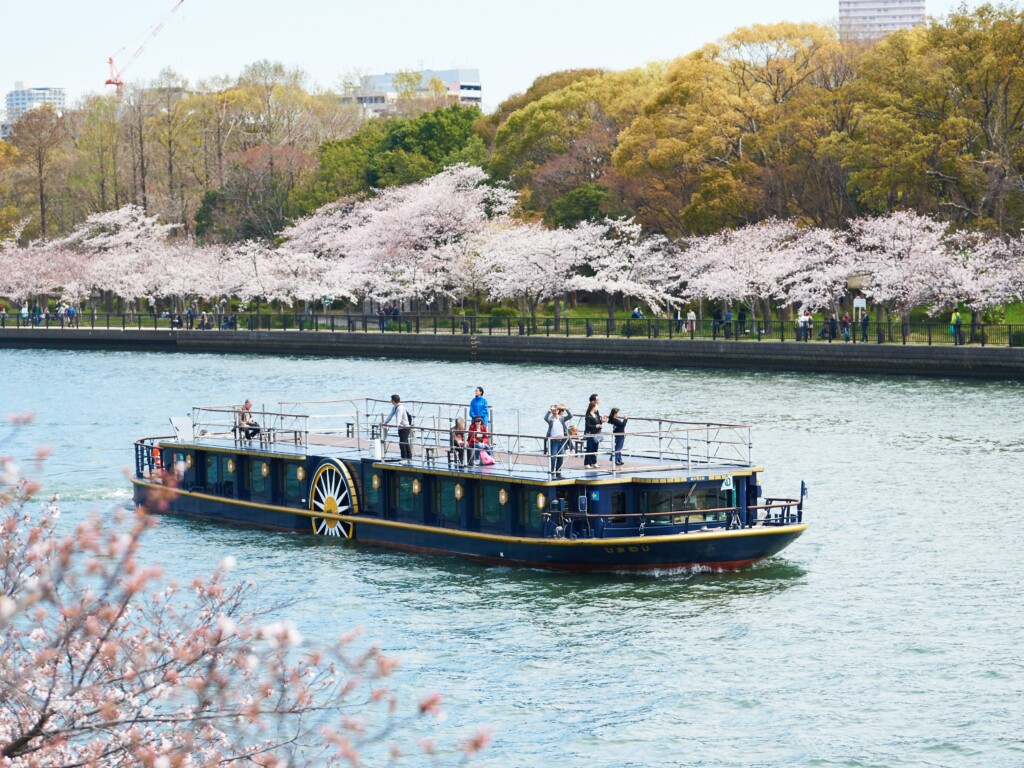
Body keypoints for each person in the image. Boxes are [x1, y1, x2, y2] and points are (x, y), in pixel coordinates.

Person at [544, 403, 574, 477]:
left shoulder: (562, 418)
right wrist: (549, 410)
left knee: (560, 458)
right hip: (554, 441)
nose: (556, 410)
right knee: (553, 457)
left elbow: (571, 416)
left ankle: (558, 473)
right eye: (554, 409)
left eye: (557, 409)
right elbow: (545, 418)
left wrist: (566, 408)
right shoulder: (551, 419)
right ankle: (551, 472)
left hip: (562, 441)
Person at [384, 394, 413, 461]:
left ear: (393, 401)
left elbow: (399, 416)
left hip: (405, 428)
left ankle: (404, 458)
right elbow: (390, 415)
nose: (391, 401)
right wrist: (385, 422)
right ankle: (409, 457)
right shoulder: (394, 407)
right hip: (401, 428)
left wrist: (397, 423)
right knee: (405, 442)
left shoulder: (400, 408)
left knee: (402, 443)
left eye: (391, 400)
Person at [583, 393, 606, 468]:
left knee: (595, 448)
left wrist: (601, 421)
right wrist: (595, 426)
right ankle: (587, 463)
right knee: (589, 448)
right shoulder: (588, 415)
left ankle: (594, 462)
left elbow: (598, 420)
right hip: (590, 433)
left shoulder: (596, 413)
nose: (599, 401)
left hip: (597, 433)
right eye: (597, 400)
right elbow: (588, 425)